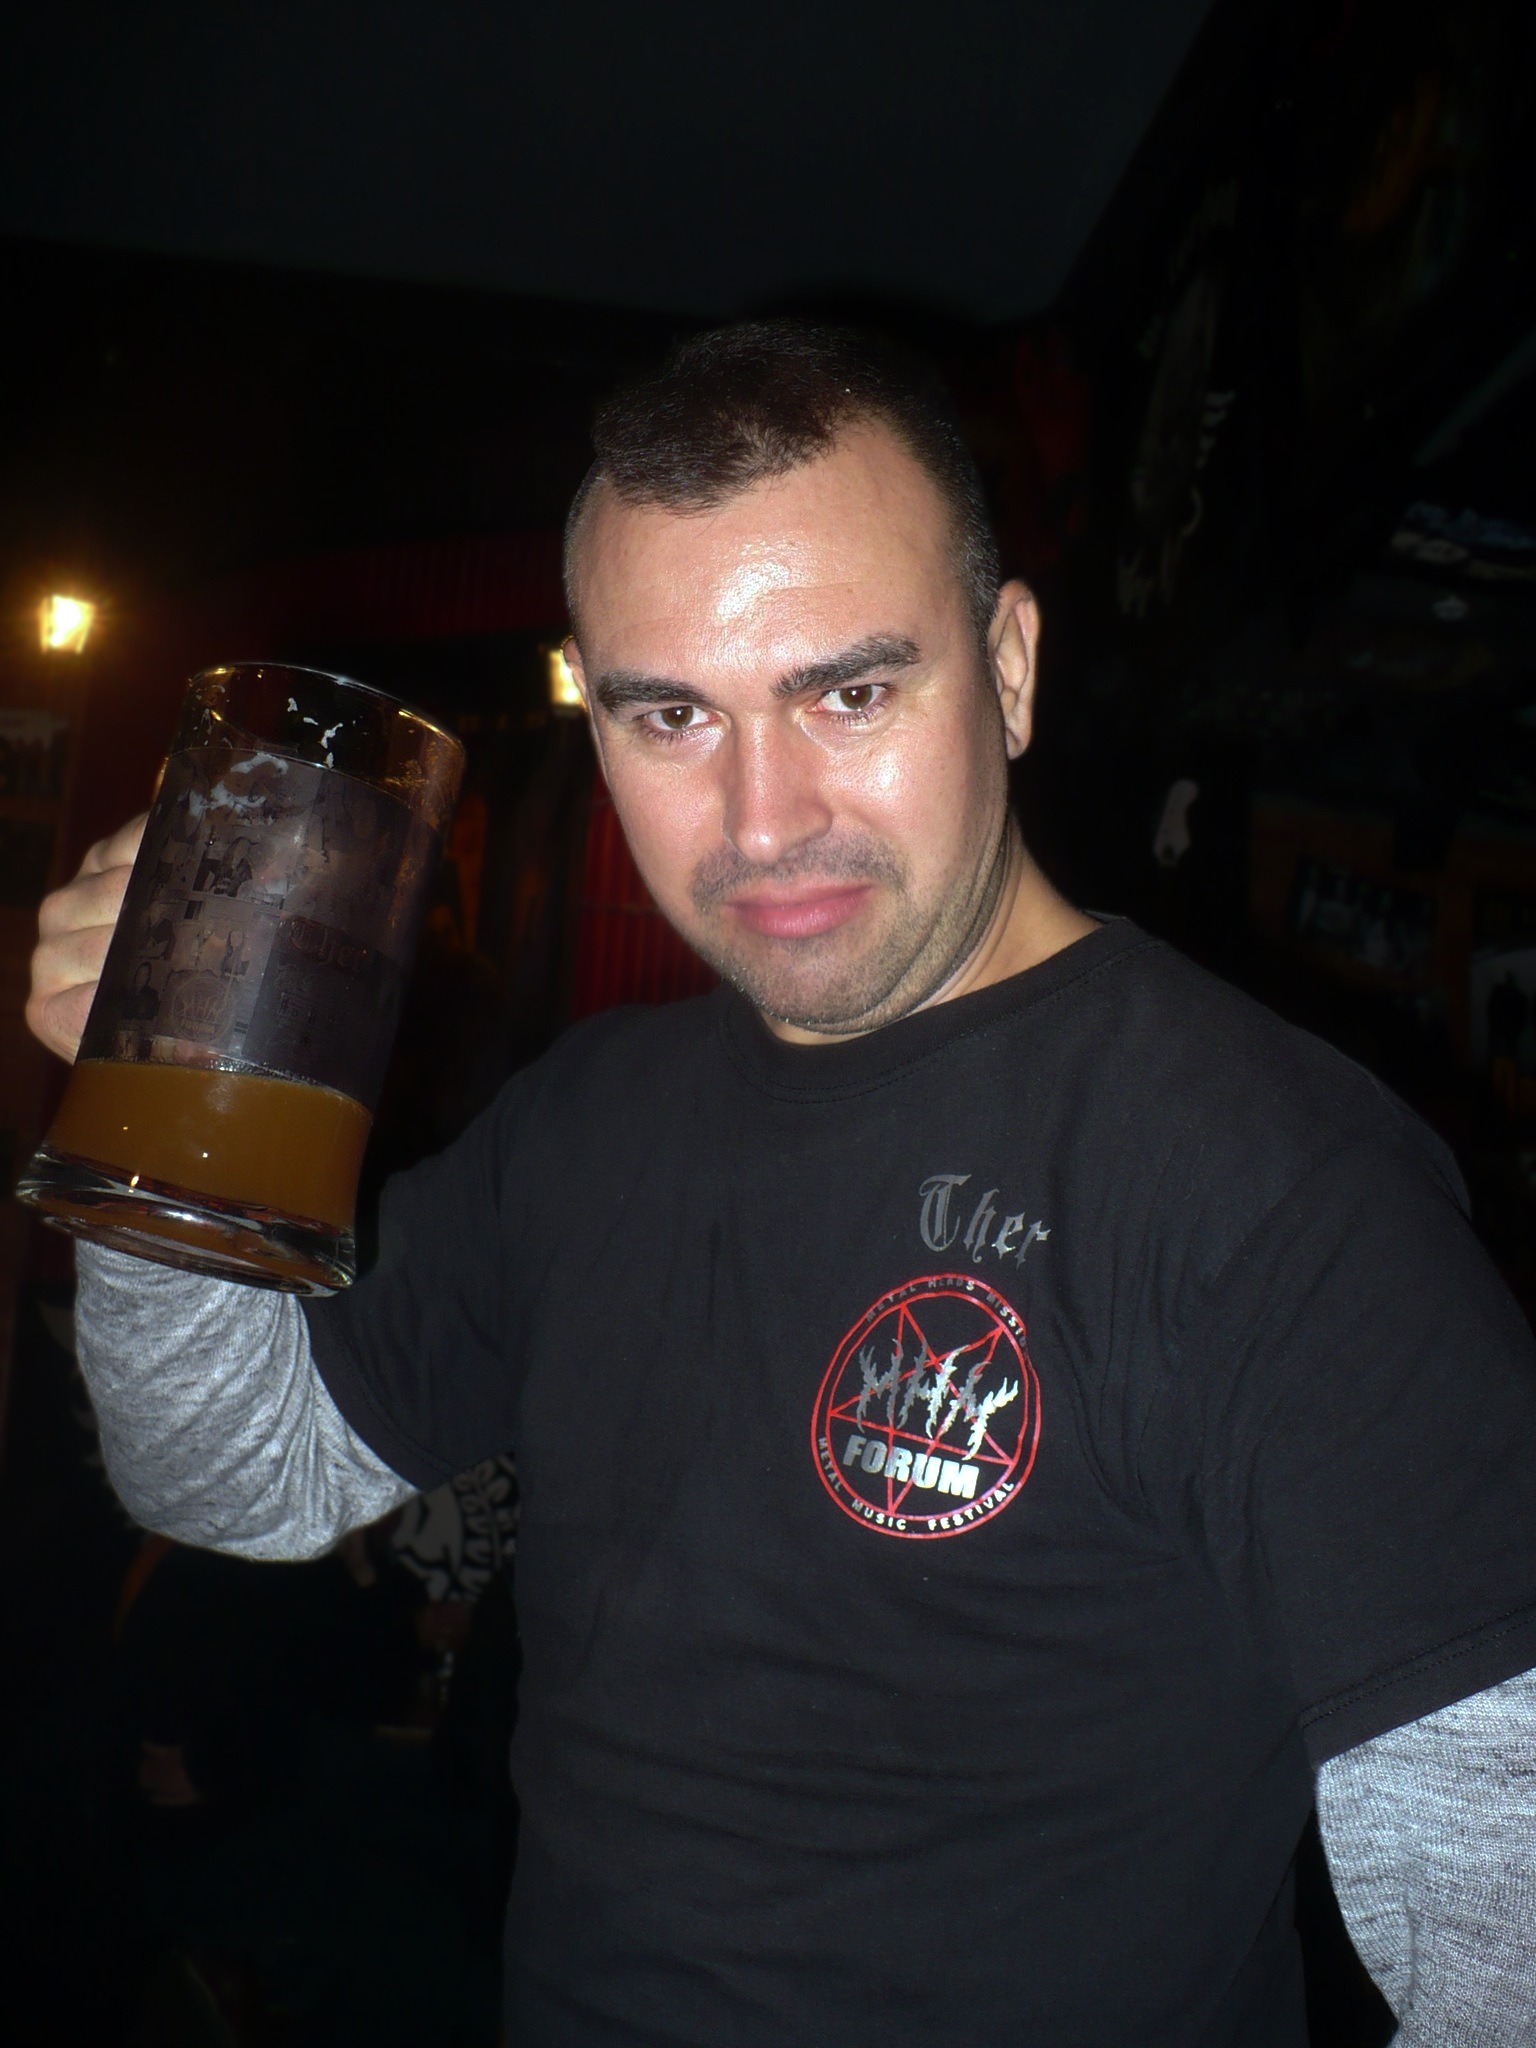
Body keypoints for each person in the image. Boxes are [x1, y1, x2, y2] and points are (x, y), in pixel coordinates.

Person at [28, 323, 1536, 2047]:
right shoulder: (585, 1119)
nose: (760, 818)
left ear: (1011, 668)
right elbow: (231, 1477)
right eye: (672, 714)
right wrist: (153, 1128)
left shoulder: (1278, 1189)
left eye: (849, 692)